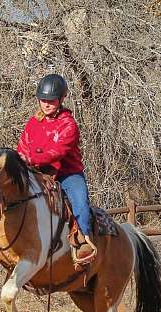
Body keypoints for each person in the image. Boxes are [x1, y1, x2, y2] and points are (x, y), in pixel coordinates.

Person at [16, 73, 97, 264]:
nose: (46, 104)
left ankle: (83, 242)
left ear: (61, 99)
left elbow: (56, 152)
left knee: (80, 203)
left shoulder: (68, 124)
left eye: (51, 101)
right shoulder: (33, 123)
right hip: (37, 173)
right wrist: (20, 159)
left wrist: (30, 158)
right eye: (43, 100)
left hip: (67, 174)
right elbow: (22, 146)